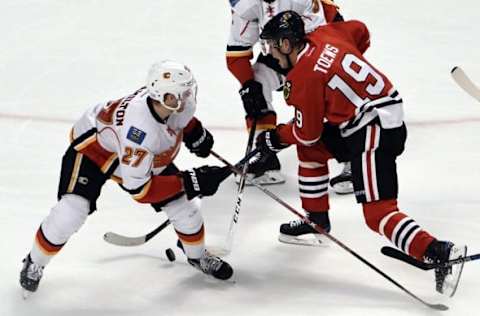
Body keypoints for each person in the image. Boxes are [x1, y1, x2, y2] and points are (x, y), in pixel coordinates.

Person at [255, 10, 467, 296]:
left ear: (286, 43)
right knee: (311, 151)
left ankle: (438, 251)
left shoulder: (303, 77)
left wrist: (275, 137)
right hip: (378, 116)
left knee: (377, 214)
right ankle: (316, 221)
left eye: (271, 46)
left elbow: (307, 131)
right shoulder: (327, 33)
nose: (270, 54)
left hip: (373, 130)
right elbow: (361, 32)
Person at [19, 60, 235, 297]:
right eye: (179, 94)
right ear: (161, 96)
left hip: (129, 150)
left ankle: (197, 256)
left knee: (185, 208)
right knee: (71, 211)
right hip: (94, 150)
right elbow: (140, 190)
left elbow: (179, 119)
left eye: (186, 91)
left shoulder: (169, 105)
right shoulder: (141, 132)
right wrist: (190, 181)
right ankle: (34, 261)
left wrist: (195, 132)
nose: (186, 97)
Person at [226, 0, 353, 193]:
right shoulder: (245, 4)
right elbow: (237, 55)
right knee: (257, 83)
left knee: (334, 92)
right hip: (285, 52)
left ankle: (354, 157)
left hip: (322, 52)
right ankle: (264, 156)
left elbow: (326, 43)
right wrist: (249, 87)